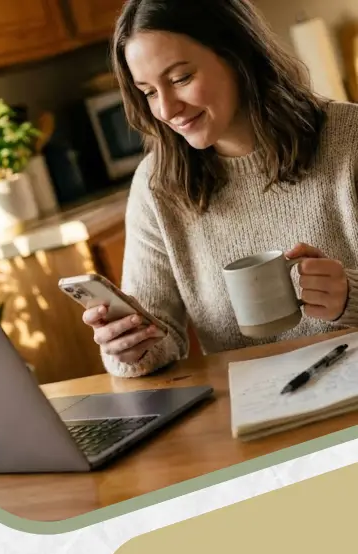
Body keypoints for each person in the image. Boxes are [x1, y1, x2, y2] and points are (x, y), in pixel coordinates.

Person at [84, 0, 358, 378]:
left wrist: (351, 295)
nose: (166, 109)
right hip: (252, 409)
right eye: (147, 91)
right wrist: (131, 348)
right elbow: (156, 334)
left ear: (238, 56)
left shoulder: (350, 140)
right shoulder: (157, 186)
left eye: (180, 79)